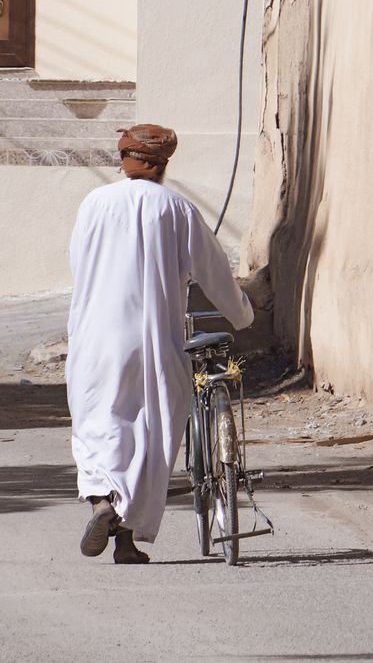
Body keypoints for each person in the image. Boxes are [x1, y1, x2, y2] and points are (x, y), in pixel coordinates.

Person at [66, 124, 254, 563]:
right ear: (163, 165)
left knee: (100, 424)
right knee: (151, 431)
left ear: (123, 161)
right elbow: (214, 273)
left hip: (95, 339)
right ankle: (127, 541)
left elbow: (79, 262)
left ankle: (100, 501)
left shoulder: (94, 203)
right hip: (153, 340)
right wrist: (242, 314)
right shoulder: (177, 209)